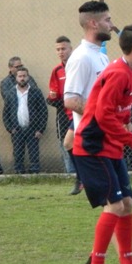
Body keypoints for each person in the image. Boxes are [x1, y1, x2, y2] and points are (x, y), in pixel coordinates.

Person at [74, 22, 132, 264]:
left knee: (127, 204)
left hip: (110, 146)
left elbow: (120, 114)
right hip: (92, 146)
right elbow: (102, 116)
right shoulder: (119, 74)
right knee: (115, 206)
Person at [63, 1, 114, 194]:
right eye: (107, 20)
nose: (111, 25)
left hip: (105, 137)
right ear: (94, 23)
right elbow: (71, 100)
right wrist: (104, 115)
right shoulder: (81, 57)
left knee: (123, 203)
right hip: (92, 140)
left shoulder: (100, 56)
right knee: (115, 204)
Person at [2, 66, 48, 174]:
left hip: (33, 129)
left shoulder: (36, 92)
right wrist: (10, 128)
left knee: (34, 152)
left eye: (24, 76)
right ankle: (19, 172)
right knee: (18, 153)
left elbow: (43, 111)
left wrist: (40, 129)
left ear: (28, 77)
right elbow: (5, 113)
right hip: (16, 129)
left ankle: (35, 173)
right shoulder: (11, 93)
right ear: (16, 78)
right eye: (20, 76)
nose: (22, 78)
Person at [47, 36, 78, 186]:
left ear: (71, 49)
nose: (61, 52)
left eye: (63, 48)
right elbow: (53, 94)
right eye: (58, 49)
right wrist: (53, 97)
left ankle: (85, 174)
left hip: (81, 112)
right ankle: (72, 174)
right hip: (65, 114)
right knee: (65, 143)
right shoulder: (57, 71)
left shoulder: (79, 65)